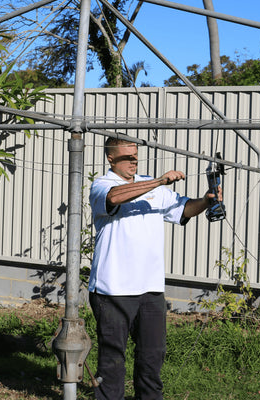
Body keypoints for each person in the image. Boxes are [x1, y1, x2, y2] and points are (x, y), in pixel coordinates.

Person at [88, 136, 221, 400]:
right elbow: (115, 198)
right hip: (112, 288)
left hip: (150, 289)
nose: (133, 161)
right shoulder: (102, 185)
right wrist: (159, 181)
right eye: (127, 157)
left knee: (152, 356)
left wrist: (206, 200)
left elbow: (183, 209)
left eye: (135, 156)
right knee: (112, 358)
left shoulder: (150, 186)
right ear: (111, 158)